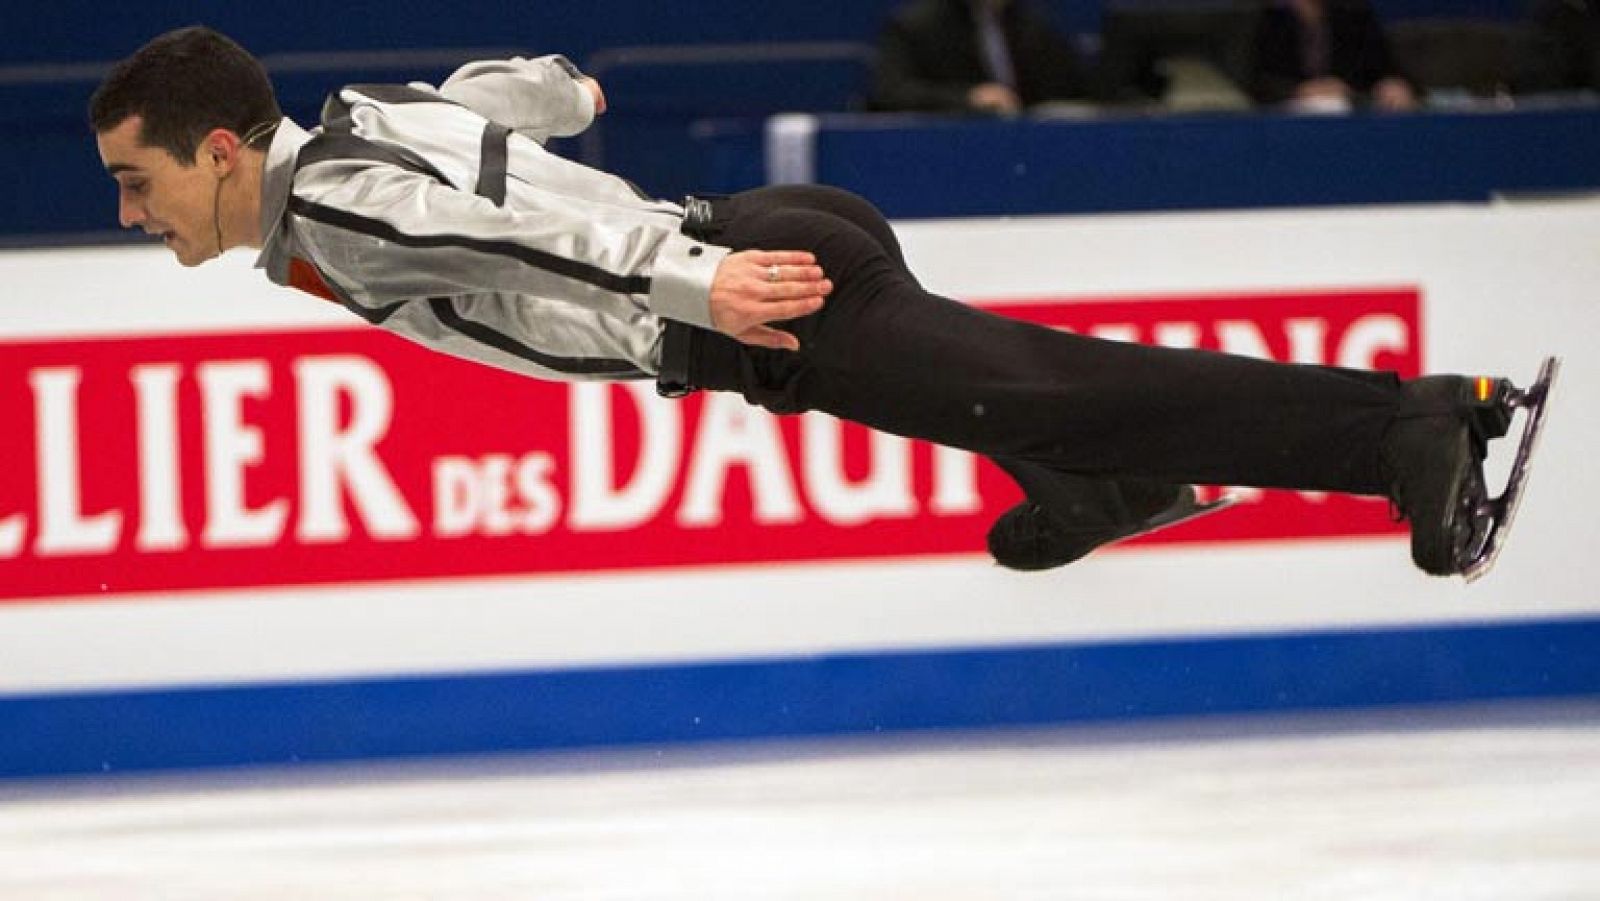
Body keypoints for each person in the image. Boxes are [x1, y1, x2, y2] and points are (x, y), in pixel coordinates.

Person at [92, 26, 1517, 578]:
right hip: (754, 249)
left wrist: (700, 282)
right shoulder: (350, 132)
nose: (130, 213)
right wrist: (568, 91)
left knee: (1067, 383)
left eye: (137, 180)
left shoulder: (333, 203)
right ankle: (1106, 487)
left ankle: (1407, 434)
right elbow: (483, 110)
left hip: (747, 291)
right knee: (1037, 401)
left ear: (218, 150)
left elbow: (520, 245)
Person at [868, 0, 1092, 114]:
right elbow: (891, 93)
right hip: (951, 150)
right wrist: (969, 99)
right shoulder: (916, 26)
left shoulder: (1031, 24)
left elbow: (1074, 90)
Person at [1247, 0, 1419, 112]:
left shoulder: (1355, 16)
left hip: (1350, 114)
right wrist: (1300, 90)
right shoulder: (1268, 18)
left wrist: (1392, 83)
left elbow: (1385, 68)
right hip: (1283, 122)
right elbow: (1257, 80)